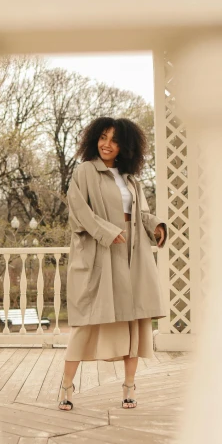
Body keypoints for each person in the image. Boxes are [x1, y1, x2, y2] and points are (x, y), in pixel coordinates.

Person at [60, 117, 166, 412]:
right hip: (101, 251)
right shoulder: (85, 172)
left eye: (114, 140)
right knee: (87, 320)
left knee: (133, 320)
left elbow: (141, 213)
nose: (107, 144)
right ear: (94, 139)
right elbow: (78, 210)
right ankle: (67, 385)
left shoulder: (130, 179)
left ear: (125, 146)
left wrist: (156, 226)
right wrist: (106, 232)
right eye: (103, 137)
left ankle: (129, 387)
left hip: (132, 252)